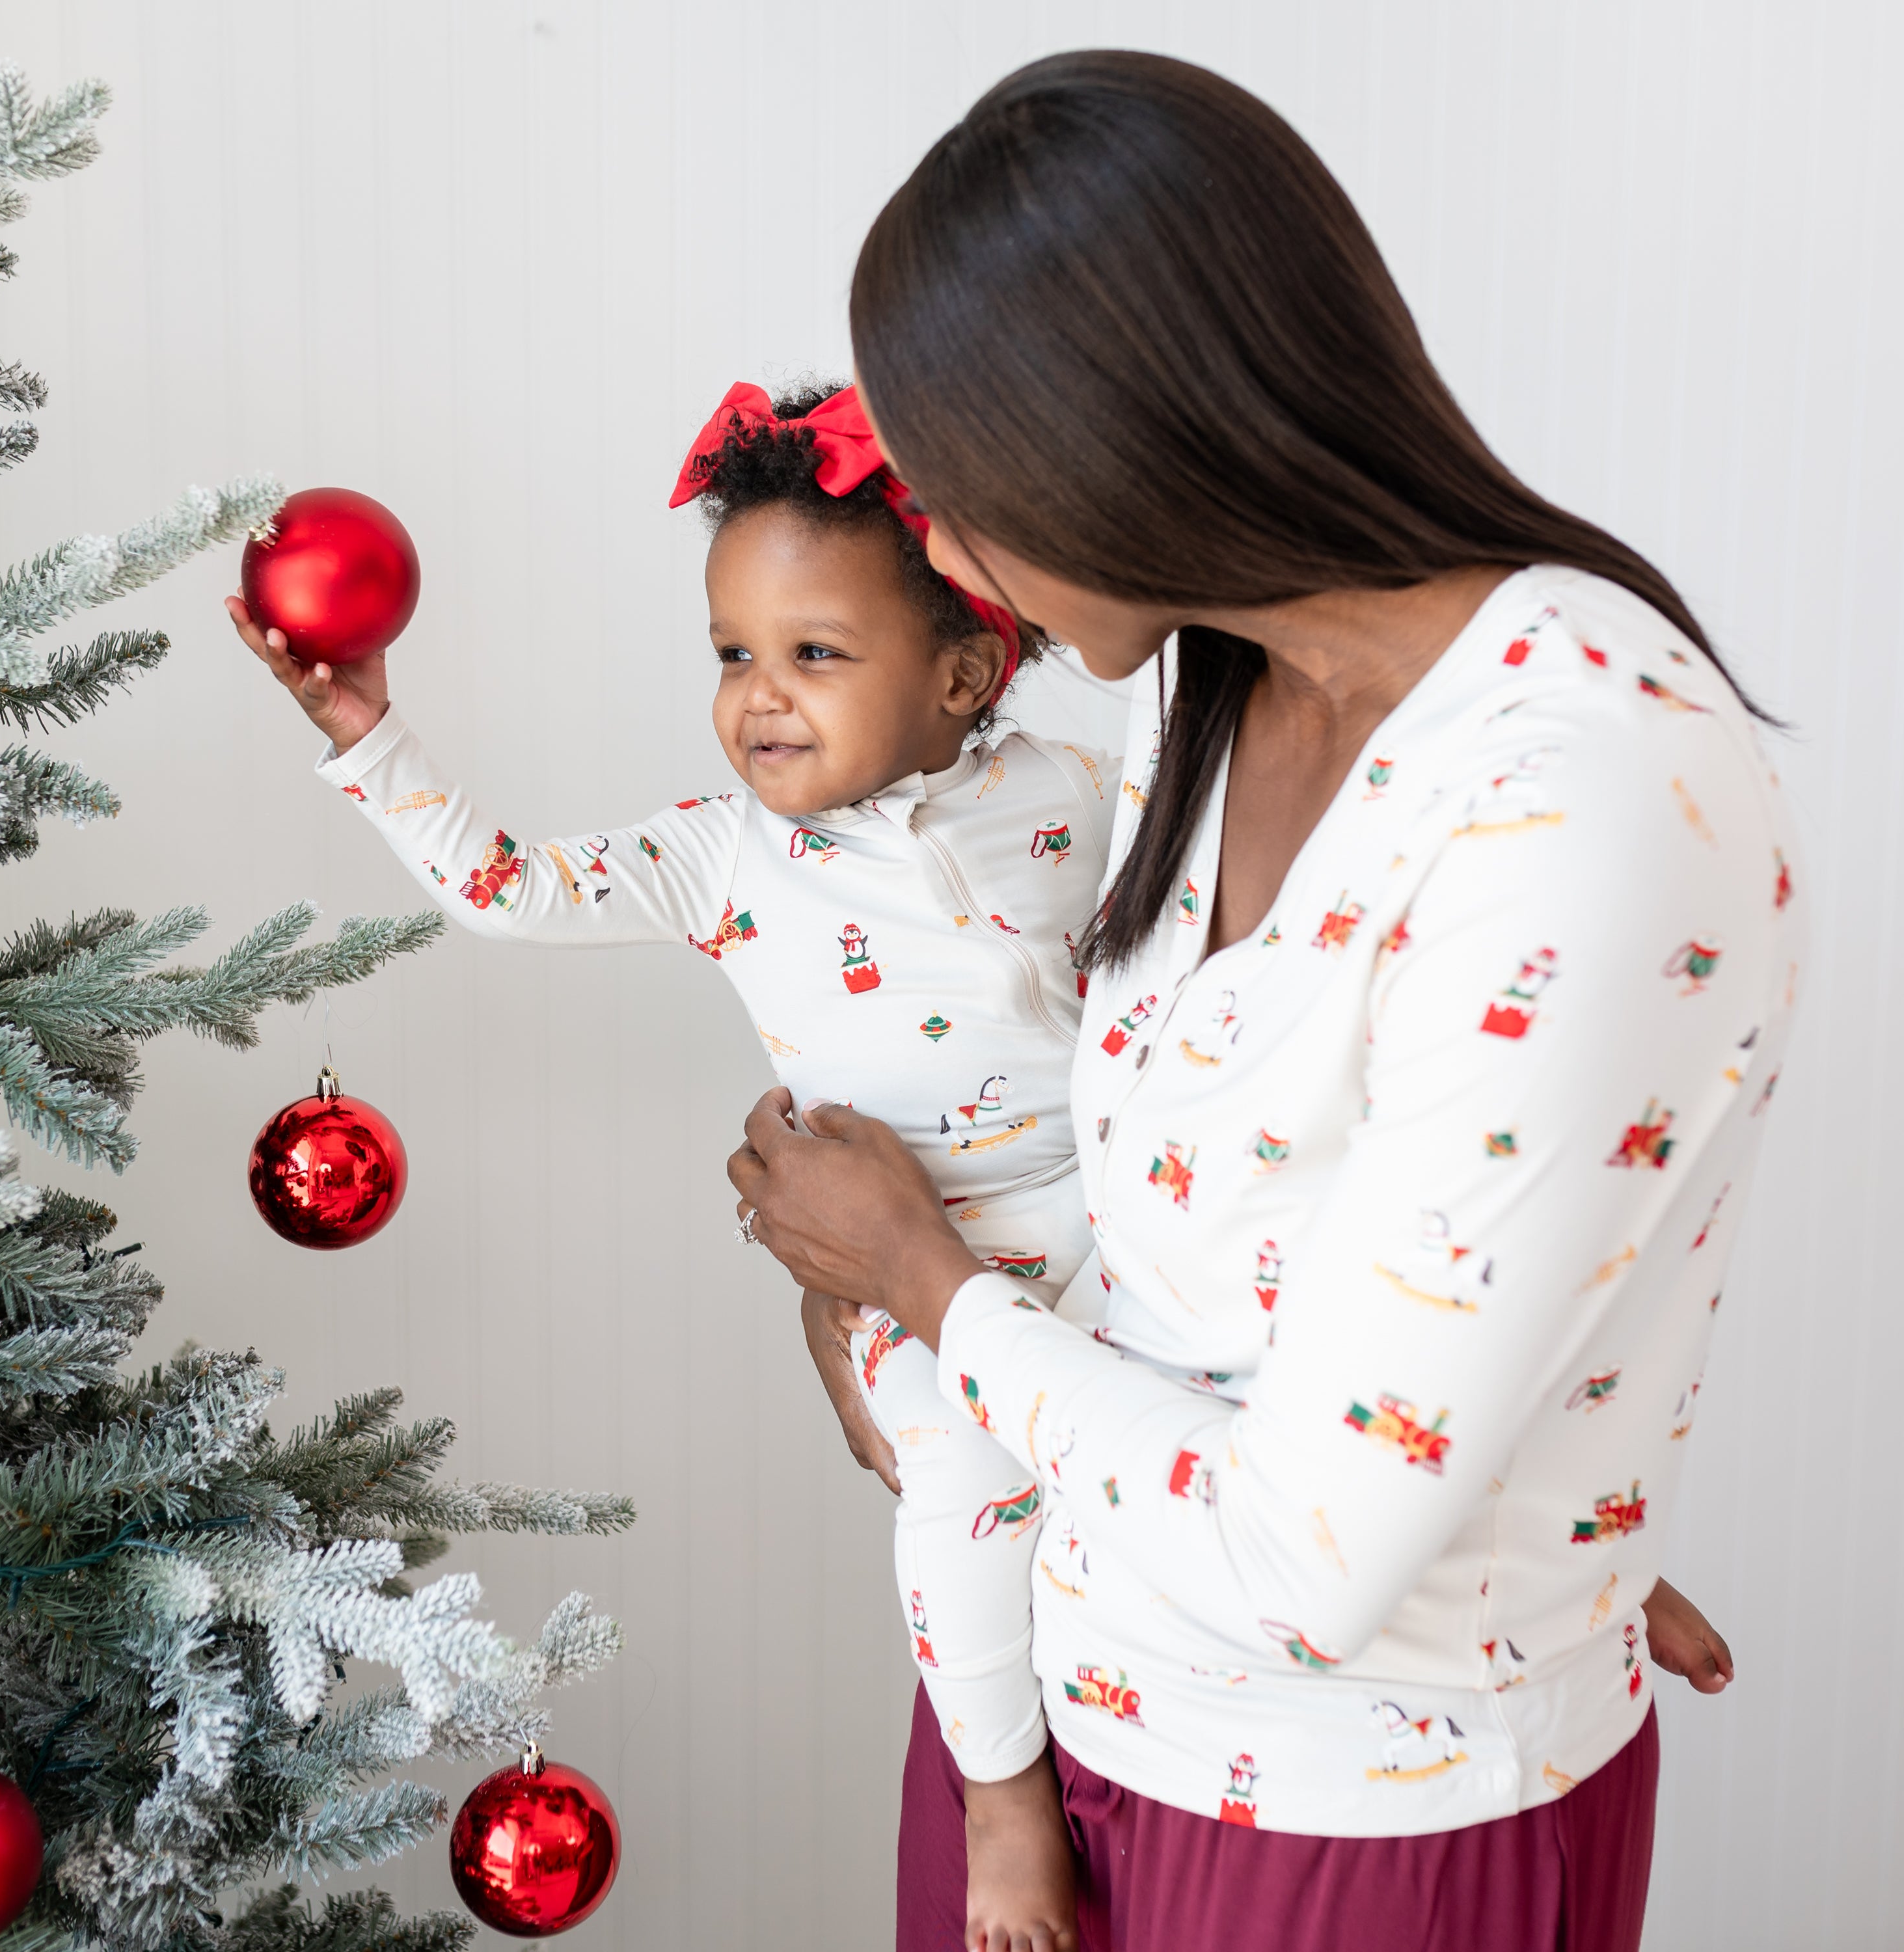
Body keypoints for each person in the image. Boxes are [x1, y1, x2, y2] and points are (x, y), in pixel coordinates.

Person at [726, 51, 1788, 1952]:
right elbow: (1195, 1245)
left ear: (1115, 443)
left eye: (957, 502)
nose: (946, 567)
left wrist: (926, 1291)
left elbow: (1313, 1561)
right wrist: (903, 1330)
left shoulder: (1584, 790)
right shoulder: (1204, 690)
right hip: (1049, 1740)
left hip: (1342, 1826)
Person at [227, 380, 1117, 1951]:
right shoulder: (727, 854)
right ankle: (1004, 1799)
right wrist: (373, 738)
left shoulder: (1064, 798)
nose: (759, 696)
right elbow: (510, 888)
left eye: (814, 655)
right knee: (962, 1511)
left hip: (1118, 1221)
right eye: (732, 655)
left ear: (969, 671)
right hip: (910, 1280)